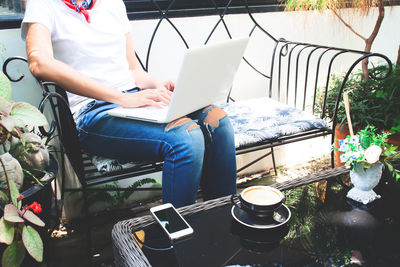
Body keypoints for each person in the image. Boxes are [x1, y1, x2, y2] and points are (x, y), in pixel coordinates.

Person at [21, 0, 237, 208]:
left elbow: (132, 69)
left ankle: (222, 220)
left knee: (217, 122)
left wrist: (158, 85)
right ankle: (174, 239)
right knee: (187, 138)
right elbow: (39, 62)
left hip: (133, 101)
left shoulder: (112, 3)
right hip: (94, 114)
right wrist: (121, 97)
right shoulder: (43, 4)